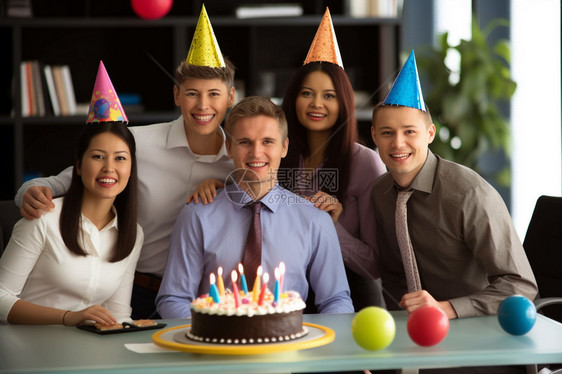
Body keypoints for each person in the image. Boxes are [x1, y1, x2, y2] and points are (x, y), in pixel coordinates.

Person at [12, 6, 235, 319]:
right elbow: (62, 181)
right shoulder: (135, 145)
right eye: (192, 94)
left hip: (202, 296)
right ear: (176, 95)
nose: (203, 105)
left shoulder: (239, 162)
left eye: (214, 94)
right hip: (134, 290)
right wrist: (29, 192)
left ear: (231, 97)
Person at [371, 50, 537, 319]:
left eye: (409, 132)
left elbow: (521, 286)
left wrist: (446, 309)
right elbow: (391, 274)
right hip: (411, 333)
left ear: (430, 133)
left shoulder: (468, 193)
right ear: (374, 136)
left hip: (479, 329)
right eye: (387, 133)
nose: (398, 143)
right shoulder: (379, 193)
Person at [156, 96, 354, 318]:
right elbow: (174, 298)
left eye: (267, 141)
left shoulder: (315, 219)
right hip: (215, 346)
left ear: (284, 147)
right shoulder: (197, 214)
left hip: (290, 345)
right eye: (245, 142)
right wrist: (209, 338)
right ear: (229, 148)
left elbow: (336, 300)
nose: (256, 153)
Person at [0, 62, 143, 326]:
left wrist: (129, 334)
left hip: (90, 354)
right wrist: (68, 318)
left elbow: (119, 313)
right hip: (27, 350)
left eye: (120, 158)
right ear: (78, 165)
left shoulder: (132, 233)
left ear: (131, 168)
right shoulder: (43, 220)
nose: (109, 168)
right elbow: (1, 297)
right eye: (98, 157)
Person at [279, 8, 387, 311]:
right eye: (307, 93)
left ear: (344, 102)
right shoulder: (279, 155)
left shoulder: (365, 163)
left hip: (351, 296)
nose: (316, 104)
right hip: (287, 294)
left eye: (329, 95)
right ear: (293, 99)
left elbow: (374, 264)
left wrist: (332, 227)